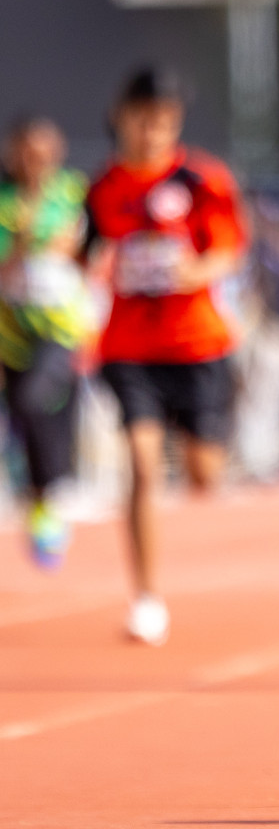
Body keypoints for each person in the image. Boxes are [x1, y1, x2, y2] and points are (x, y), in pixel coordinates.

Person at [85, 68, 248, 645]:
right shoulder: (101, 188)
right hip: (130, 347)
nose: (152, 130)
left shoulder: (203, 180)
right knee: (142, 463)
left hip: (197, 342)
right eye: (142, 117)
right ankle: (147, 598)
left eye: (165, 120)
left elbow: (227, 252)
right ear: (121, 116)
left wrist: (191, 271)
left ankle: (204, 451)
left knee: (205, 473)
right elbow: (85, 254)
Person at [0, 116, 91, 568]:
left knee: (38, 403)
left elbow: (93, 243)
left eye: (43, 151)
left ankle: (51, 495)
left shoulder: (74, 192)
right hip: (12, 333)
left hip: (61, 329)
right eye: (25, 152)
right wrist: (22, 240)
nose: (35, 161)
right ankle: (39, 498)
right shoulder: (4, 203)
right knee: (23, 412)